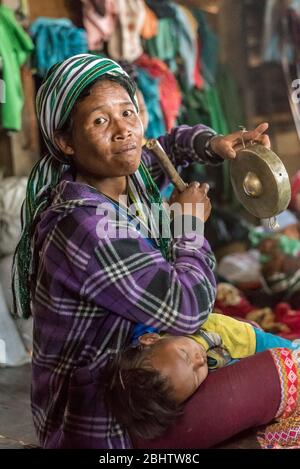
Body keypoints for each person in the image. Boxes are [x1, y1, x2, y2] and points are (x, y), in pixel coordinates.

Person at [12, 53, 271, 449]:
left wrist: (212, 145)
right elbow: (186, 309)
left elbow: (161, 149)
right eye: (100, 121)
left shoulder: (114, 178)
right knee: (281, 376)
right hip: (100, 427)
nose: (122, 131)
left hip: (135, 396)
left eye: (128, 113)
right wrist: (188, 225)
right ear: (66, 141)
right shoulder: (85, 225)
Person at [104, 312, 299, 440]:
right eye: (197, 377)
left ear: (150, 339)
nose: (199, 360)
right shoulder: (210, 373)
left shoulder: (168, 320)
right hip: (254, 342)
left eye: (184, 354)